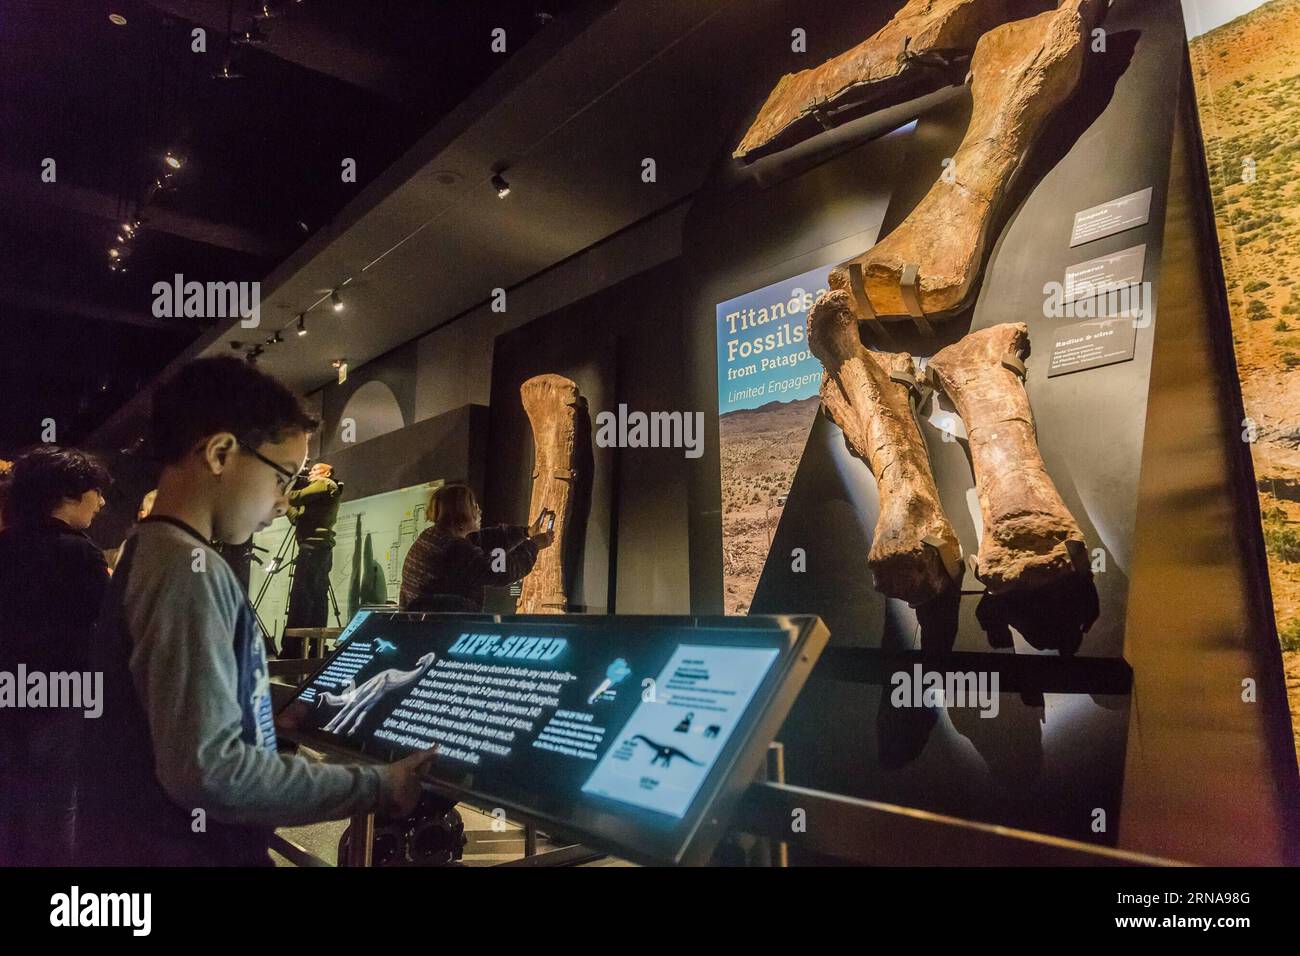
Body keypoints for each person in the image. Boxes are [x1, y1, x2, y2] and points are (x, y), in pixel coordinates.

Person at [75, 356, 434, 866]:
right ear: (221, 453)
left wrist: (268, 704)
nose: (284, 502)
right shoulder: (189, 571)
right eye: (283, 476)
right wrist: (378, 783)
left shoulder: (153, 551)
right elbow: (212, 773)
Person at [0, 446, 112, 865]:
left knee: (11, 799)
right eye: (96, 492)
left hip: (9, 693)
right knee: (56, 804)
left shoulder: (5, 547)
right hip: (62, 697)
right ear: (70, 493)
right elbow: (108, 626)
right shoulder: (79, 552)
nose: (101, 502)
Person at [400, 484, 552, 613]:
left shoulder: (433, 535)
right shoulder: (455, 547)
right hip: (440, 632)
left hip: (421, 626)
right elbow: (501, 571)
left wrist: (526, 532)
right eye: (473, 505)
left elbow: (481, 540)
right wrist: (534, 545)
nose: (479, 511)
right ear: (462, 512)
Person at [282, 461, 340, 657]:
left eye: (316, 469)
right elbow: (297, 517)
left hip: (312, 549)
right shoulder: (319, 495)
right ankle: (314, 648)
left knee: (302, 598)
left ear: (328, 472)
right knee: (315, 599)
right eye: (311, 470)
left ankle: (293, 649)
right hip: (315, 549)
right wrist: (287, 503)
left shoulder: (325, 484)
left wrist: (283, 493)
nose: (311, 473)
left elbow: (296, 498)